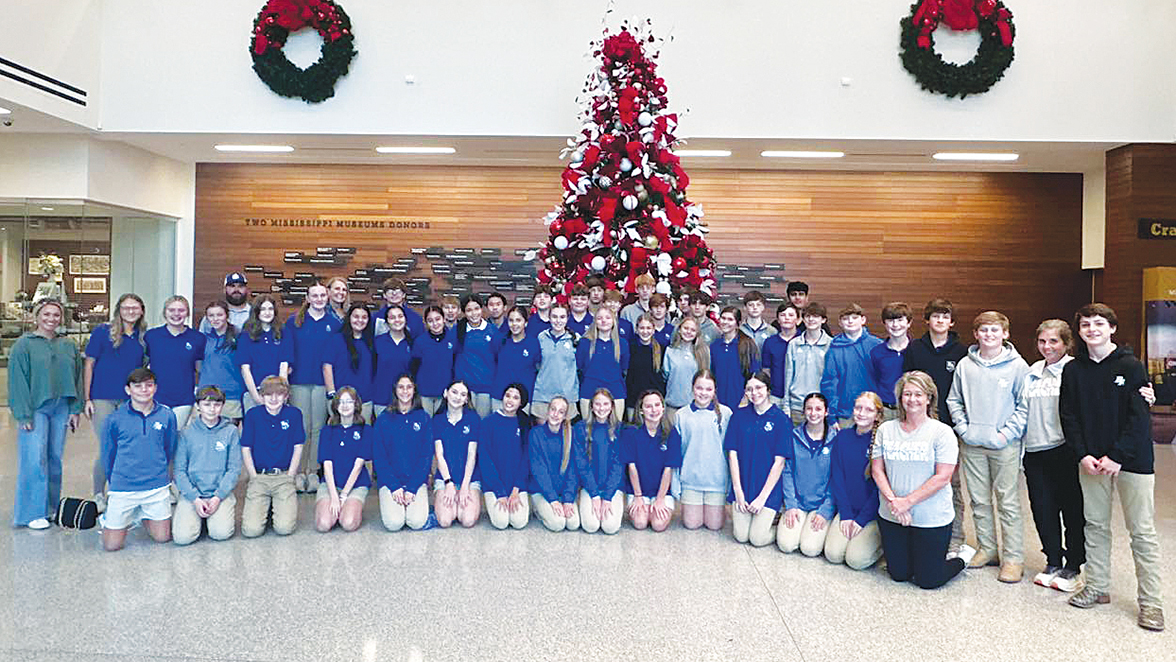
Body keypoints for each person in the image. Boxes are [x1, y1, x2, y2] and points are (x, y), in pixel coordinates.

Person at [1060, 303, 1164, 631]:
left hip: (1132, 461)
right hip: (1091, 461)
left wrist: (1117, 456)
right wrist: (1082, 454)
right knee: (1095, 525)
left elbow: (1138, 418)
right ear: (1079, 331)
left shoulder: (1132, 367)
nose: (1092, 329)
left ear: (1112, 328)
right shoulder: (1073, 370)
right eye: (1086, 324)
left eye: (1099, 323)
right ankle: (1097, 587)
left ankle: (1151, 603)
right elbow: (1069, 416)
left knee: (1142, 532)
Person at [946, 311, 1029, 583]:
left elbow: (1024, 406)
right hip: (972, 444)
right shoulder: (965, 366)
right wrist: (964, 430)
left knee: (1007, 502)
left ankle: (1013, 558)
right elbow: (954, 400)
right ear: (976, 334)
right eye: (984, 331)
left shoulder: (1018, 366)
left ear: (1005, 334)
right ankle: (988, 548)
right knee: (979, 501)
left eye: (995, 331)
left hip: (1004, 445)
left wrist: (1006, 435)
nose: (989, 336)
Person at [871, 371, 966, 589]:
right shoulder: (886, 429)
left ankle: (960, 559)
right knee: (899, 574)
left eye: (918, 394)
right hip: (893, 515)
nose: (912, 399)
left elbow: (943, 477)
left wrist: (908, 502)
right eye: (907, 394)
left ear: (929, 398)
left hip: (930, 518)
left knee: (927, 580)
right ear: (900, 398)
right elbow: (877, 470)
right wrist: (895, 502)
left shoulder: (942, 433)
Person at [901, 298, 970, 556]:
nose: (940, 321)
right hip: (918, 426)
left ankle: (955, 538)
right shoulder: (915, 348)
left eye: (945, 316)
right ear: (927, 320)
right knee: (917, 481)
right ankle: (917, 532)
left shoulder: (961, 352)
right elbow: (906, 386)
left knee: (950, 484)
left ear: (951, 322)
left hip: (949, 429)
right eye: (935, 316)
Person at [9, 299, 84, 529]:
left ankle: (50, 508)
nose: (51, 319)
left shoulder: (68, 345)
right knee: (34, 459)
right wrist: (23, 414)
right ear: (36, 316)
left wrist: (76, 408)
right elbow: (17, 381)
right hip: (36, 408)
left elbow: (78, 377)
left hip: (61, 406)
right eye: (46, 314)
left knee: (54, 459)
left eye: (56, 315)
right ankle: (31, 513)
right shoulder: (24, 345)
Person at [99, 368, 175, 551]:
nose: (144, 390)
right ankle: (113, 518)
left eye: (149, 385)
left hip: (155, 486)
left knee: (163, 537)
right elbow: (108, 455)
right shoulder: (115, 419)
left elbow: (169, 449)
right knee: (111, 546)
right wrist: (115, 482)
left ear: (155, 388)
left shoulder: (166, 415)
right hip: (124, 487)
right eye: (138, 386)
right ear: (128, 390)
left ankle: (142, 515)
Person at [84, 293, 147, 510]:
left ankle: (119, 491)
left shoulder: (142, 337)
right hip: (103, 397)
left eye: (135, 308)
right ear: (118, 309)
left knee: (126, 447)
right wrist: (87, 398)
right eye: (126, 307)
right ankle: (98, 494)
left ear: (141, 311)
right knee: (107, 447)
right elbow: (89, 365)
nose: (131, 311)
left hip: (131, 400)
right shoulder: (103, 332)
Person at [725, 371, 790, 547]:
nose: (754, 393)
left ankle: (778, 524)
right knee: (741, 536)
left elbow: (780, 462)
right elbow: (733, 454)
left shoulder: (781, 419)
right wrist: (738, 491)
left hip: (767, 489)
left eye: (759, 388)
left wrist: (762, 498)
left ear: (768, 389)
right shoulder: (738, 416)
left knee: (757, 539)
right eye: (749, 389)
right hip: (744, 485)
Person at [172, 385, 241, 545]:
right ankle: (197, 516)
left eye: (217, 405)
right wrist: (195, 498)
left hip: (219, 494)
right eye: (207, 404)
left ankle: (211, 517)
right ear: (198, 406)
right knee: (183, 538)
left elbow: (234, 469)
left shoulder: (230, 431)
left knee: (221, 534)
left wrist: (218, 497)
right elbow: (179, 471)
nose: (212, 409)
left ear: (222, 406)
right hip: (192, 495)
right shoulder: (186, 433)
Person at [284, 284, 335, 495]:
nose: (319, 298)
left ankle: (313, 471)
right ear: (307, 297)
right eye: (315, 295)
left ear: (328, 296)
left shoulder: (334, 323)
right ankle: (298, 472)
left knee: (318, 428)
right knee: (302, 427)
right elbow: (287, 350)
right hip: (299, 381)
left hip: (322, 382)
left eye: (323, 295)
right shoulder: (294, 321)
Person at [824, 392, 883, 570]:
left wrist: (861, 520)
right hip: (847, 510)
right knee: (833, 555)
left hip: (871, 515)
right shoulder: (843, 437)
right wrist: (846, 515)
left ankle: (884, 546)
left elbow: (879, 490)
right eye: (858, 408)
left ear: (877, 415)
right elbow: (838, 478)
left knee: (855, 560)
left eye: (868, 410)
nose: (862, 413)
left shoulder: (881, 441)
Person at [240, 376, 304, 537]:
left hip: (283, 477)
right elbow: (246, 448)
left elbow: (298, 446)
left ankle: (274, 507)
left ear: (286, 396)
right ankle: (266, 507)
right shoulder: (253, 415)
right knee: (251, 531)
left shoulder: (294, 414)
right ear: (262, 396)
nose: (274, 399)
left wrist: (291, 475)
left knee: (284, 529)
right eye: (268, 394)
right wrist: (253, 475)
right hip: (260, 477)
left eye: (279, 394)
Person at [777, 393, 836, 556]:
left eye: (818, 409)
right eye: (809, 408)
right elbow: (787, 472)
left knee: (810, 549)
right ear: (803, 411)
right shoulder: (793, 437)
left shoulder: (835, 439)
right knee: (786, 545)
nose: (813, 413)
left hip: (821, 505)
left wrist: (826, 511)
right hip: (798, 503)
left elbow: (836, 479)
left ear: (826, 412)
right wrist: (790, 505)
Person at [372, 374, 433, 531]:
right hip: (391, 482)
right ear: (395, 390)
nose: (405, 391)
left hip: (415, 481)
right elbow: (380, 458)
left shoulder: (424, 418)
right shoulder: (383, 420)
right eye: (401, 387)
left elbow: (425, 457)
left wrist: (412, 487)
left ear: (414, 390)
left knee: (416, 522)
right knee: (394, 523)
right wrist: (394, 486)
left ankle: (420, 504)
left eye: (409, 387)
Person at [673, 370, 731, 531]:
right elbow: (676, 455)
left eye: (708, 389)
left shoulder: (726, 414)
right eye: (699, 388)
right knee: (692, 524)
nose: (703, 393)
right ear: (692, 388)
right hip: (691, 480)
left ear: (714, 391)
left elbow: (731, 454)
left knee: (714, 526)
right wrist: (676, 483)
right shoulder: (681, 415)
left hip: (717, 481)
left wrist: (730, 485)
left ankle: (718, 510)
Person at [622, 390, 681, 532]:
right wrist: (638, 496)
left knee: (658, 525)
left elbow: (669, 469)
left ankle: (654, 507)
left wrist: (660, 499)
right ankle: (644, 508)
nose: (653, 410)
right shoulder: (631, 433)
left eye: (657, 405)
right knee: (640, 523)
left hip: (662, 492)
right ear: (641, 410)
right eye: (648, 406)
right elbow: (632, 467)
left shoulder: (672, 433)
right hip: (638, 490)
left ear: (663, 408)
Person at [314, 386, 370, 533]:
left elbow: (358, 465)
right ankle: (334, 510)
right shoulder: (327, 431)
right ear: (336, 406)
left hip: (356, 485)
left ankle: (350, 509)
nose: (345, 406)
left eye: (349, 402)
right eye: (341, 402)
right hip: (331, 484)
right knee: (323, 525)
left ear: (356, 404)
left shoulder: (366, 430)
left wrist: (344, 495)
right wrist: (333, 496)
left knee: (348, 523)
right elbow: (327, 465)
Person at [145, 295, 206, 428]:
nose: (176, 314)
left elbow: (200, 368)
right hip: (156, 397)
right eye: (171, 310)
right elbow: (142, 366)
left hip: (183, 399)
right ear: (164, 312)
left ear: (187, 313)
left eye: (181, 310)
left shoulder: (197, 338)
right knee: (157, 436)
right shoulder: (152, 336)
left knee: (175, 437)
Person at [820, 303, 882, 428]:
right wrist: (832, 416)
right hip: (845, 414)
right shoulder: (833, 349)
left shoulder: (877, 345)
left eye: (854, 317)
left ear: (863, 320)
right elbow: (829, 384)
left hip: (872, 412)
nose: (850, 321)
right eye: (845, 318)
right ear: (840, 323)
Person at [480, 383, 532, 530]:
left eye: (515, 398)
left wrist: (516, 489)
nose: (510, 400)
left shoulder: (524, 424)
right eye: (508, 396)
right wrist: (499, 492)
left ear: (521, 403)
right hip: (494, 484)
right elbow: (485, 459)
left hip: (517, 485)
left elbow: (526, 459)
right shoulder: (488, 422)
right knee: (501, 522)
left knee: (519, 522)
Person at [432, 379, 482, 528]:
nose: (457, 397)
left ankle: (463, 498)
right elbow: (439, 455)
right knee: (445, 520)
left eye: (462, 394)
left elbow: (472, 455)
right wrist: (448, 483)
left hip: (469, 478)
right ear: (446, 393)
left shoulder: (473, 419)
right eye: (454, 392)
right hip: (446, 478)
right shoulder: (437, 420)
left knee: (467, 520)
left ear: (466, 399)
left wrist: (465, 485)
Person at [575, 389, 625, 534]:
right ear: (591, 406)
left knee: (610, 528)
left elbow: (618, 466)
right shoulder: (581, 428)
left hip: (613, 488)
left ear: (612, 406)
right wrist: (595, 495)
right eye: (597, 404)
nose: (601, 408)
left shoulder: (620, 429)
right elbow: (582, 465)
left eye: (605, 404)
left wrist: (608, 497)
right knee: (591, 526)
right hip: (590, 487)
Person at [528, 395, 580, 531]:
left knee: (573, 524)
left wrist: (568, 499)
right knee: (558, 524)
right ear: (548, 411)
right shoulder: (535, 434)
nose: (556, 414)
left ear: (565, 416)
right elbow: (539, 470)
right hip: (541, 491)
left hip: (563, 492)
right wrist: (553, 500)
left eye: (561, 412)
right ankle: (537, 509)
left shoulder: (571, 434)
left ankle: (559, 503)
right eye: (553, 409)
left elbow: (573, 470)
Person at [236, 294, 290, 415]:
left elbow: (283, 367)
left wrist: (282, 393)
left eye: (270, 309)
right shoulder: (246, 335)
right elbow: (245, 369)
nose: (267, 313)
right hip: (254, 393)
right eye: (263, 309)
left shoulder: (283, 333)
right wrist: (257, 398)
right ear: (256, 312)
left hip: (277, 394)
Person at [323, 302, 376, 424]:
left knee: (362, 438)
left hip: (365, 400)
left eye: (364, 317)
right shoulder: (336, 340)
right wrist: (332, 395)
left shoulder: (371, 342)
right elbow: (327, 367)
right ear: (349, 318)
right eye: (356, 316)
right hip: (341, 400)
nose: (360, 320)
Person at [196, 301, 245, 422]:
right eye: (211, 316)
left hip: (231, 396)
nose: (215, 319)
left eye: (219, 315)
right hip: (206, 395)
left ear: (227, 316)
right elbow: (198, 365)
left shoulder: (239, 337)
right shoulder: (203, 339)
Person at [577, 306, 628, 421]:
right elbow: (580, 366)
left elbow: (624, 367)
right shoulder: (585, 342)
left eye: (608, 318)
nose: (604, 321)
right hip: (589, 389)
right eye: (599, 318)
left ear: (614, 321)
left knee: (615, 428)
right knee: (588, 428)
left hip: (616, 390)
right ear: (595, 321)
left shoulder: (622, 343)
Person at [784, 303, 832, 425]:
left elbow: (833, 379)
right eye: (808, 316)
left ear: (823, 320)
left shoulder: (831, 345)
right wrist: (786, 405)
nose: (811, 319)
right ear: (802, 319)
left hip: (821, 406)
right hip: (797, 405)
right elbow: (788, 375)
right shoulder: (793, 344)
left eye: (815, 316)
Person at [454, 294, 498, 418]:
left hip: (486, 387)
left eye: (476, 309)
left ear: (482, 309)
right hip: (464, 389)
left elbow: (497, 359)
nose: (474, 313)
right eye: (469, 310)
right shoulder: (457, 331)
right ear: (463, 312)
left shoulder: (492, 331)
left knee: (482, 424)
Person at [532, 304, 578, 422]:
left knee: (565, 436)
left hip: (567, 396)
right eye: (554, 317)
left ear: (568, 318)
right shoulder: (541, 337)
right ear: (549, 318)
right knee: (542, 435)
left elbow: (580, 366)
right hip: (543, 395)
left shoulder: (575, 339)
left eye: (562, 317)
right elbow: (536, 364)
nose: (558, 321)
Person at [491, 306, 540, 414]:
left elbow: (537, 367)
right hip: (500, 395)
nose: (514, 324)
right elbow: (494, 361)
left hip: (524, 398)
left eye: (518, 320)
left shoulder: (533, 343)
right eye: (511, 320)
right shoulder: (499, 340)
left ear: (526, 323)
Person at [869, 302, 913, 422]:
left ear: (909, 323)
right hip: (885, 410)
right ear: (884, 323)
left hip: (910, 409)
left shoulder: (917, 350)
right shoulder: (876, 353)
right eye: (890, 320)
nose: (895, 325)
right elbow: (875, 380)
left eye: (900, 320)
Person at [710, 307, 761, 410]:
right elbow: (712, 374)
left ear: (737, 323)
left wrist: (746, 397)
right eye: (723, 318)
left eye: (730, 319)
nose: (725, 322)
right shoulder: (714, 346)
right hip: (719, 402)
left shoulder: (747, 344)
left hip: (741, 403)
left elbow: (755, 375)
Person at [410, 305, 456, 414]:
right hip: (424, 392)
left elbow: (455, 365)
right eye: (430, 321)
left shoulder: (453, 339)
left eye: (438, 319)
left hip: (445, 392)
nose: (435, 324)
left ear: (444, 319)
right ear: (425, 323)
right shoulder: (420, 341)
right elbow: (414, 367)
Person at [662, 317, 710, 424]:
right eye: (686, 328)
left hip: (694, 407)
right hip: (672, 407)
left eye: (693, 330)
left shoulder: (703, 352)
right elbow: (665, 377)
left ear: (697, 333)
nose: (688, 332)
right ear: (679, 329)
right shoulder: (670, 351)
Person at [373, 305, 412, 418]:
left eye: (400, 316)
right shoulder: (377, 342)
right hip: (382, 397)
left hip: (405, 399)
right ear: (387, 322)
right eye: (392, 317)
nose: (397, 320)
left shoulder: (413, 343)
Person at [625, 315, 666, 420]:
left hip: (654, 399)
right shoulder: (630, 348)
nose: (645, 331)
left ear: (653, 330)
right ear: (637, 330)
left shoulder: (661, 349)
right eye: (642, 328)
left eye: (648, 328)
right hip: (633, 399)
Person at [761, 303, 800, 410]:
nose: (787, 318)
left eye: (791, 315)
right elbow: (766, 370)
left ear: (798, 319)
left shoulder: (803, 341)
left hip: (798, 396)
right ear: (778, 320)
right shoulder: (770, 342)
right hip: (776, 395)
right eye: (783, 315)